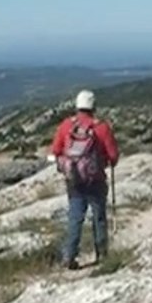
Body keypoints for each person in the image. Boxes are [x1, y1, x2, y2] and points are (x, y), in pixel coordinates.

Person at [49, 89, 120, 269]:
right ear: (93, 106)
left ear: (77, 105)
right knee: (99, 218)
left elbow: (55, 151)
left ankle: (70, 256)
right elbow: (113, 156)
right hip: (95, 180)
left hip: (74, 181)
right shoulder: (101, 127)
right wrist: (105, 160)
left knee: (75, 218)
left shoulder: (66, 125)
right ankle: (102, 255)